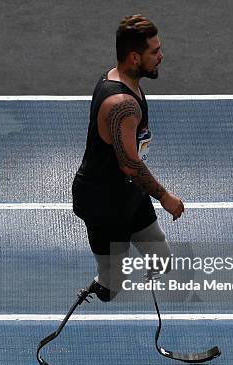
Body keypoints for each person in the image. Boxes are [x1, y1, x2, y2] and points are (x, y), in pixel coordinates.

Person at [72, 14, 184, 300]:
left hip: (128, 193)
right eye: (154, 51)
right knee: (113, 284)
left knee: (162, 259)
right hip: (102, 202)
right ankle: (100, 283)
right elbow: (130, 165)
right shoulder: (122, 105)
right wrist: (165, 197)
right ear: (134, 57)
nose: (161, 56)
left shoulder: (123, 78)